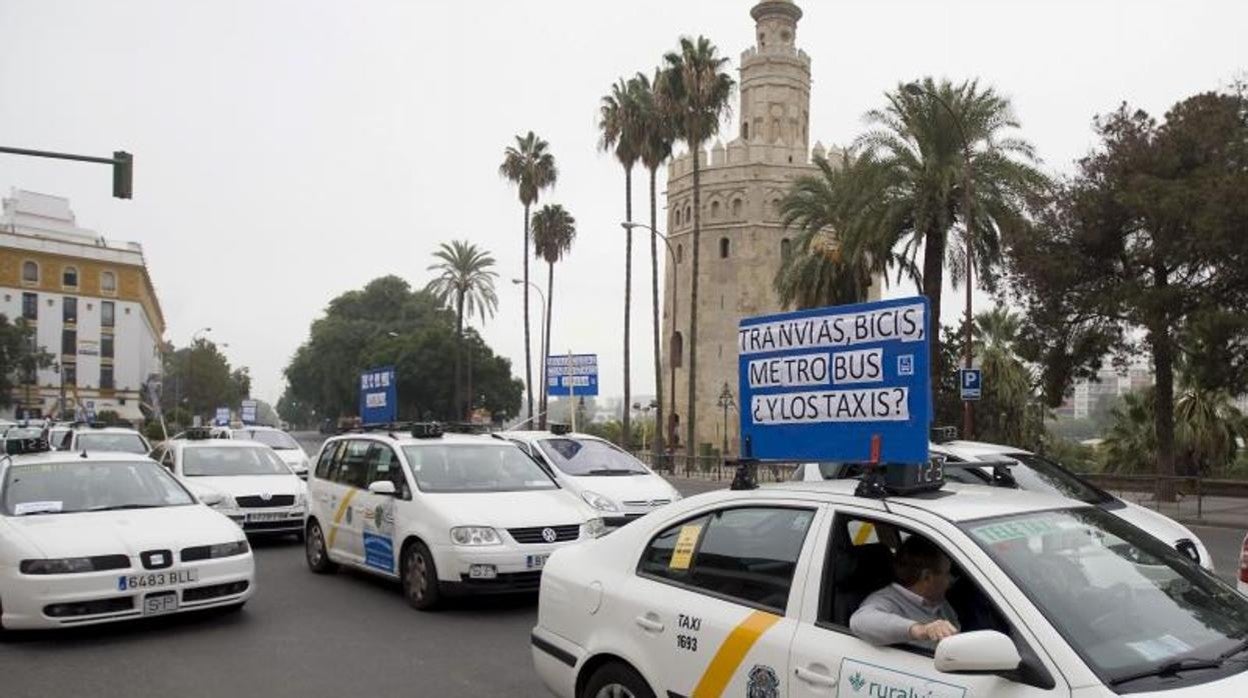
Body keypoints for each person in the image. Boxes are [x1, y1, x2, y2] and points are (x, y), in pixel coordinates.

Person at [849, 535, 960, 650]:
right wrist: (921, 630)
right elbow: (859, 621)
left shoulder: (937, 600)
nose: (951, 580)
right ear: (927, 577)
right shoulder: (886, 600)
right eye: (947, 573)